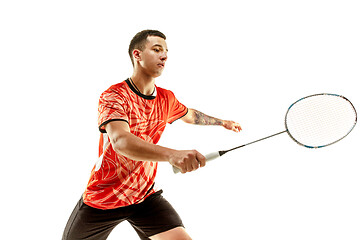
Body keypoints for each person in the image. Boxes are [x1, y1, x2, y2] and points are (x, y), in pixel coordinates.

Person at [62, 29, 241, 240]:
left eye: (166, 51)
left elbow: (189, 114)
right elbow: (120, 141)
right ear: (136, 55)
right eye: (156, 50)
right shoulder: (114, 96)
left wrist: (222, 123)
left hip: (143, 197)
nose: (164, 56)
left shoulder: (166, 99)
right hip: (104, 198)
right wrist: (171, 155)